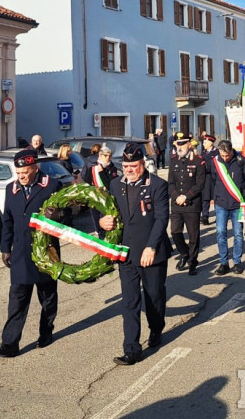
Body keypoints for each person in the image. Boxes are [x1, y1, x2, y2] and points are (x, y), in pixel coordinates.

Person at [99, 144, 171, 366]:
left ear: (143, 164)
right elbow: (109, 214)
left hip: (151, 253)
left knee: (154, 298)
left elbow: (161, 219)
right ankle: (131, 348)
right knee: (129, 302)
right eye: (126, 166)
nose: (129, 170)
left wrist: (151, 247)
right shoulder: (115, 185)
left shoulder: (157, 185)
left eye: (134, 166)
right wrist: (104, 224)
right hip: (127, 254)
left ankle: (156, 329)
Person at [0, 150, 63, 357]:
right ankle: (10, 344)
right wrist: (5, 248)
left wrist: (58, 215)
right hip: (21, 252)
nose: (21, 176)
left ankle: (46, 332)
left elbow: (66, 217)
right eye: (18, 172)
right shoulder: (10, 189)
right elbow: (7, 220)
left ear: (35, 168)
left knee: (47, 296)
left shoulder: (51, 185)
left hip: (45, 252)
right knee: (17, 299)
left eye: (25, 171)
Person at [211, 140, 245, 275]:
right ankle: (223, 263)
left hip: (237, 205)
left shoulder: (241, 161)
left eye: (227, 155)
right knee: (220, 232)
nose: (225, 158)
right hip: (221, 204)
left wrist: (243, 195)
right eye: (222, 155)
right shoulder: (215, 162)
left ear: (232, 151)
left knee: (237, 234)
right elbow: (213, 180)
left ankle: (237, 262)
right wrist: (218, 195)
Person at [168, 134, 206, 276]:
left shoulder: (198, 161)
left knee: (193, 235)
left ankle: (192, 262)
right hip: (177, 204)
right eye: (178, 144)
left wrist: (186, 196)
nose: (179, 147)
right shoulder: (173, 161)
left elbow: (200, 183)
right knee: (175, 232)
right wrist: (177, 196)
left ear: (189, 145)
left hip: (191, 205)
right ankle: (185, 254)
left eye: (183, 144)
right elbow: (171, 183)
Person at [82, 144, 119, 237]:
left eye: (109, 156)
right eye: (105, 155)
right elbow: (87, 180)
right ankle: (99, 234)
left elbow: (110, 185)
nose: (108, 158)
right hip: (95, 199)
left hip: (106, 200)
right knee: (97, 223)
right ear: (100, 156)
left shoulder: (112, 169)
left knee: (106, 225)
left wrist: (101, 172)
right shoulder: (93, 168)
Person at [200, 135, 218, 225]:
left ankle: (218, 217)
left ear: (210, 143)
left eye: (205, 142)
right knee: (205, 198)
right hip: (206, 179)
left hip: (214, 178)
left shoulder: (216, 152)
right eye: (203, 142)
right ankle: (205, 217)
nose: (203, 144)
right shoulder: (203, 153)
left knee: (216, 198)